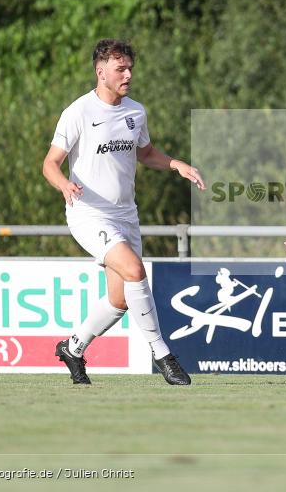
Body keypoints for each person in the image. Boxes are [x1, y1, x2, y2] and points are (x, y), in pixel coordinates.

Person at [42, 39, 205, 386]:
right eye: (121, 69)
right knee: (135, 270)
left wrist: (175, 164)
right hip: (88, 214)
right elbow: (50, 164)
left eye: (130, 67)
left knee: (119, 299)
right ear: (101, 72)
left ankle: (73, 348)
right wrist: (64, 185)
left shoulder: (135, 112)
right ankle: (164, 356)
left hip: (126, 215)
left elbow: (145, 154)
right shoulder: (79, 112)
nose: (128, 74)